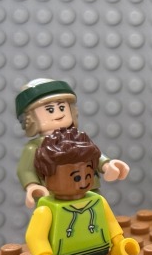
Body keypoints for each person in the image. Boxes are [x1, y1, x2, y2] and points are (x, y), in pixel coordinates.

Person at [25, 127, 140, 255]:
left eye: (88, 174)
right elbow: (35, 236)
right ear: (47, 176)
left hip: (94, 252)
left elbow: (110, 222)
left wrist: (119, 241)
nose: (85, 181)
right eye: (76, 178)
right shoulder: (46, 210)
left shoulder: (97, 201)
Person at [16, 78, 129, 208]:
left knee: (96, 213)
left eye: (62, 107)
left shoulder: (78, 137)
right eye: (50, 110)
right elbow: (25, 170)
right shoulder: (34, 147)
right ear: (31, 118)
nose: (59, 113)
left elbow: (93, 155)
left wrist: (107, 166)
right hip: (53, 196)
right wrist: (33, 186)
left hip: (88, 190)